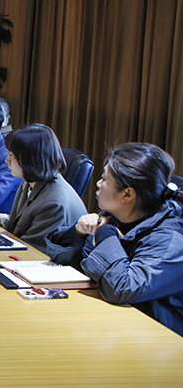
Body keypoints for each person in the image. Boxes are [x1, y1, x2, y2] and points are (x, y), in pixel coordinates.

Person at [45, 143, 183, 336]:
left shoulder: (170, 239)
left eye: (104, 179)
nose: (98, 183)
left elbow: (123, 288)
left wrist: (106, 234)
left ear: (128, 194)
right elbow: (73, 263)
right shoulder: (118, 216)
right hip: (115, 324)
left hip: (157, 336)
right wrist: (77, 233)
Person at [0, 124, 87, 252]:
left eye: (11, 156)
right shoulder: (30, 181)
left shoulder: (54, 203)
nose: (6, 160)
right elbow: (24, 224)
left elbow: (32, 249)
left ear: (29, 159)